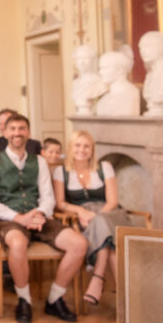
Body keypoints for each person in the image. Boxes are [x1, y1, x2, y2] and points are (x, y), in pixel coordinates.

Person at [0, 113, 86, 323]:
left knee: (79, 244)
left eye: (21, 129)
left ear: (28, 133)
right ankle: (24, 300)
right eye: (13, 129)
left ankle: (55, 298)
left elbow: (48, 197)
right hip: (10, 219)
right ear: (5, 132)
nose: (17, 133)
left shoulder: (38, 161)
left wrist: (39, 214)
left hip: (39, 216)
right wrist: (19, 218)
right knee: (18, 244)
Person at [52, 131, 132, 306]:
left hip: (110, 214)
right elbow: (60, 203)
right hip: (80, 219)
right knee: (109, 245)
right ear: (71, 148)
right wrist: (80, 211)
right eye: (78, 145)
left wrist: (96, 216)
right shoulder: (61, 171)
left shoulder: (104, 167)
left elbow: (113, 201)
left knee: (101, 224)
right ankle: (126, 301)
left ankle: (98, 276)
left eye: (86, 146)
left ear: (92, 150)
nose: (82, 150)